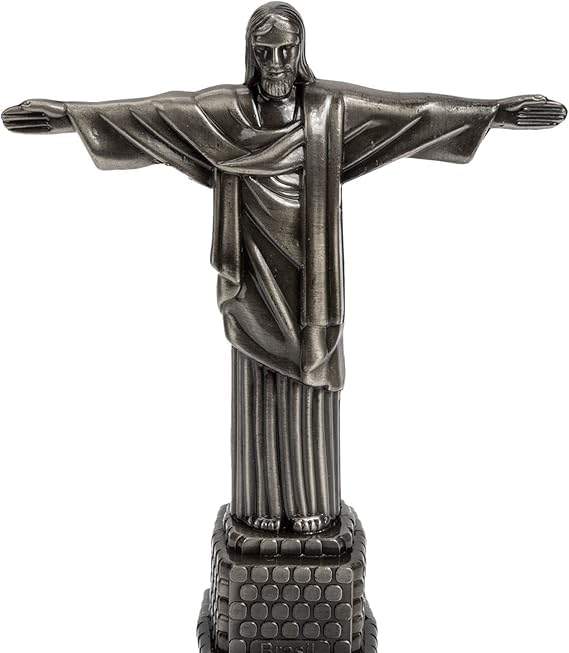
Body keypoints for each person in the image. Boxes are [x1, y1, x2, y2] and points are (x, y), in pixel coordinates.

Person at [3, 2, 565, 533]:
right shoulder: (226, 115)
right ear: (250, 54)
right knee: (257, 379)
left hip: (310, 272)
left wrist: (495, 113)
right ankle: (259, 508)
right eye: (264, 51)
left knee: (309, 376)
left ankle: (312, 504)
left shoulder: (328, 111)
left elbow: (412, 115)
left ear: (301, 52)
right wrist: (70, 117)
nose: (275, 64)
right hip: (252, 268)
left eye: (285, 50)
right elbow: (151, 116)